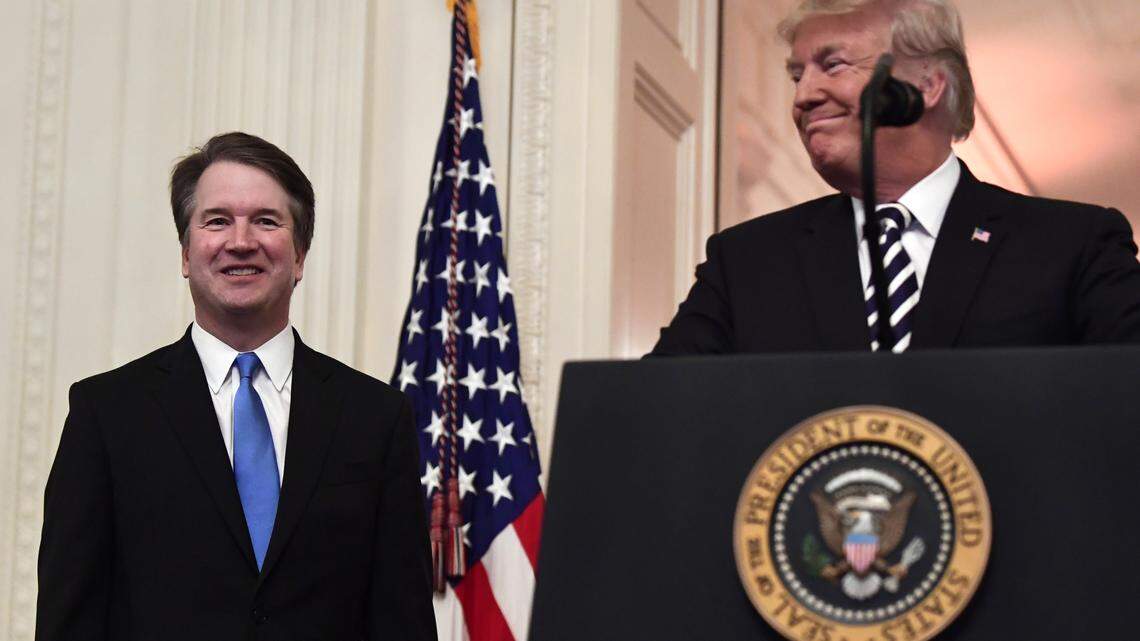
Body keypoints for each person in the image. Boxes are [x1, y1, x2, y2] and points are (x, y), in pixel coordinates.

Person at [36, 132, 437, 640]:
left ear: (300, 256)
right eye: (217, 220)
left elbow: (403, 621)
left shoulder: (376, 417)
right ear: (186, 253)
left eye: (266, 221)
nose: (241, 241)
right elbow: (69, 620)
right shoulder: (107, 413)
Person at [652, 0, 1140, 355]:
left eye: (833, 65)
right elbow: (656, 408)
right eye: (797, 75)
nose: (803, 97)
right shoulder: (747, 261)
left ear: (926, 86)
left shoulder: (1074, 244)